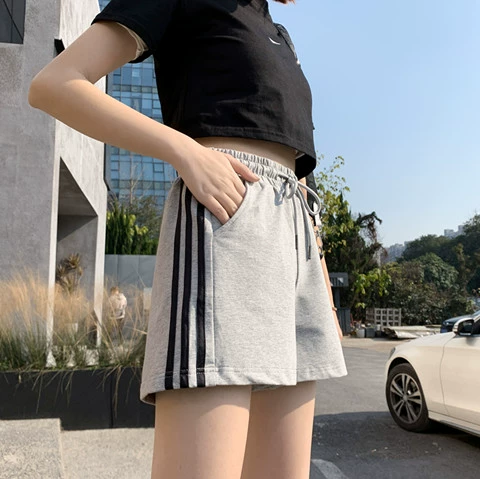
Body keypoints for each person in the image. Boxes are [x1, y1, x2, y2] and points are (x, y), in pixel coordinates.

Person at [28, 1, 348, 477]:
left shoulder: (279, 34)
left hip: (296, 235)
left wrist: (319, 276)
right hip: (226, 215)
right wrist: (184, 150)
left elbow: (298, 170)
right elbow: (54, 84)